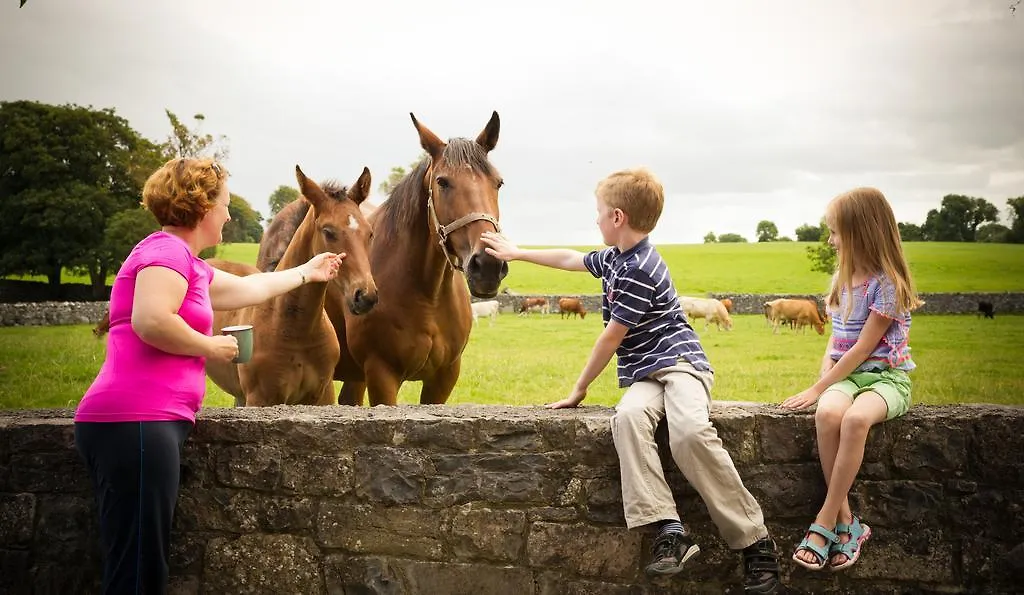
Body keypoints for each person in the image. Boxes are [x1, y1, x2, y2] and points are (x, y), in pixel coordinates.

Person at [481, 168, 781, 593]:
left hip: (681, 365)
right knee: (627, 419)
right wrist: (518, 252)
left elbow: (610, 339)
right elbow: (571, 259)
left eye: (599, 213)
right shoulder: (616, 257)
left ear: (617, 217)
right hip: (645, 374)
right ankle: (670, 530)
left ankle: (756, 543)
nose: (596, 220)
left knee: (690, 434)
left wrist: (579, 389)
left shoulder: (640, 267)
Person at [74, 157, 345, 594]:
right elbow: (150, 320)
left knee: (142, 560)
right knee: (138, 568)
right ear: (201, 208)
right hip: (137, 423)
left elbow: (251, 288)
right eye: (223, 203)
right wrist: (211, 346)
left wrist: (306, 272)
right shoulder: (164, 254)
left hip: (144, 424)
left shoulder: (186, 262)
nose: (229, 213)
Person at [781, 187, 921, 571]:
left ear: (861, 232)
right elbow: (837, 338)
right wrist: (823, 375)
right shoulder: (842, 279)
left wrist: (817, 387)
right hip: (847, 377)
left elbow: (862, 348)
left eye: (835, 232)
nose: (829, 240)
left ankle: (824, 521)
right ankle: (848, 523)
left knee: (856, 420)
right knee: (827, 415)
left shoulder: (887, 283)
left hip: (886, 380)